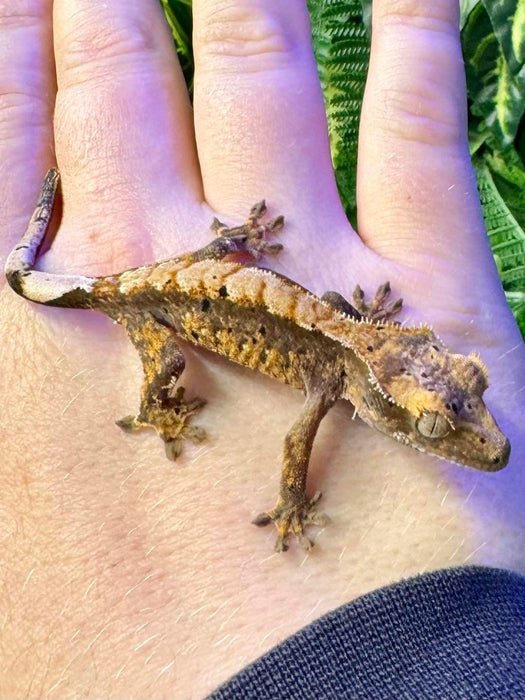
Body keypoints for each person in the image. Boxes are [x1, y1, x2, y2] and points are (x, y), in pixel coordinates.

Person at [1, 0, 524, 697]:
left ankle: (205, 250)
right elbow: (292, 451)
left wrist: (231, 247)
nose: (482, 440)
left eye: (454, 406)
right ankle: (150, 399)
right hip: (157, 297)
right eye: (434, 423)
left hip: (210, 268)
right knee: (169, 367)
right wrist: (291, 503)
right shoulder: (334, 376)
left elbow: (328, 335)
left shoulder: (347, 350)